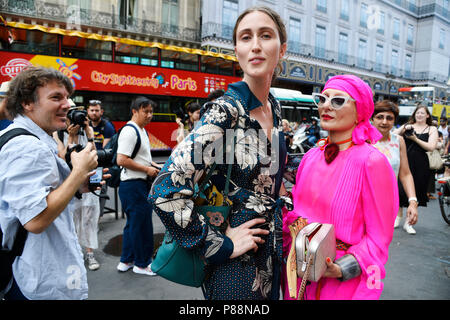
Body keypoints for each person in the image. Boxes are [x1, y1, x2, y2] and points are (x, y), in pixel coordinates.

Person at [150, 6, 290, 300]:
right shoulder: (226, 112)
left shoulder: (274, 108)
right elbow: (166, 189)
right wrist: (219, 244)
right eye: (245, 37)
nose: (255, 46)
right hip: (234, 266)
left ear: (282, 49)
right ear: (236, 50)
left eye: (266, 36)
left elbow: (270, 177)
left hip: (271, 252)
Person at [282, 74, 399, 300]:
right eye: (323, 99)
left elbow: (379, 237)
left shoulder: (371, 162)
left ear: (360, 112)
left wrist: (343, 268)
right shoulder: (310, 156)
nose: (327, 106)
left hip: (339, 283)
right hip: (298, 272)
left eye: (338, 101)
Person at [0, 66, 103, 300]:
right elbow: (35, 219)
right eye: (56, 97)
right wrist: (78, 172)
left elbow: (41, 194)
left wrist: (80, 187)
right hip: (37, 280)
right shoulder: (26, 147)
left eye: (67, 97)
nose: (67, 105)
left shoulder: (32, 138)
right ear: (27, 102)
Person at [116, 96, 161, 276]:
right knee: (142, 226)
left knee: (133, 225)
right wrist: (146, 170)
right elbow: (122, 159)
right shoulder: (130, 131)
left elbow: (142, 159)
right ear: (135, 111)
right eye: (146, 111)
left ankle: (126, 260)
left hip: (134, 184)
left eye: (151, 111)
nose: (149, 115)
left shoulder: (141, 130)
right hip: (134, 185)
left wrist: (155, 167)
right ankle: (141, 264)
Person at [53, 107, 101, 271]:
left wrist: (89, 134)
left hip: (89, 181)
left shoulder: (87, 131)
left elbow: (95, 156)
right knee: (72, 220)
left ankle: (89, 253)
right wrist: (72, 137)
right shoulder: (58, 134)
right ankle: (74, 252)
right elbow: (63, 158)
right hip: (70, 183)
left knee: (89, 219)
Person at [371, 100, 418, 233]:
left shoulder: (398, 141)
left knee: (382, 245)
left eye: (389, 118)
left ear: (394, 121)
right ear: (372, 119)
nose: (384, 122)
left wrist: (413, 202)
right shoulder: (362, 140)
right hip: (363, 204)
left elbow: (405, 173)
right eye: (380, 117)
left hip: (388, 204)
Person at [393, 104, 438, 234]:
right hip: (404, 162)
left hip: (420, 164)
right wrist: (404, 128)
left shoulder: (431, 129)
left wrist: (415, 139)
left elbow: (430, 147)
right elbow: (393, 135)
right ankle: (398, 217)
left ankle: (409, 222)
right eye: (417, 113)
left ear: (427, 115)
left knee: (415, 191)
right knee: (400, 190)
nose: (419, 115)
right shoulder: (408, 125)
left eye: (422, 113)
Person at [86, 99, 116, 216]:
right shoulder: (85, 125)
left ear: (101, 112)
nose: (94, 113)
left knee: (99, 189)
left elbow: (104, 150)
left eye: (96, 110)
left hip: (99, 163)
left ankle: (97, 216)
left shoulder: (107, 126)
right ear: (88, 111)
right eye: (92, 110)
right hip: (87, 162)